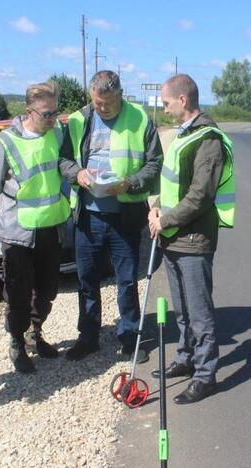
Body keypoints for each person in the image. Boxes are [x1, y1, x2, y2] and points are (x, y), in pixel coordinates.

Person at [64, 71, 163, 364]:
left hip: (126, 216)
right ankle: (88, 337)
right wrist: (77, 173)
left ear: (120, 95)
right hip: (88, 216)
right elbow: (63, 160)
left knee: (126, 281)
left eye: (107, 103)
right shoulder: (79, 119)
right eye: (96, 102)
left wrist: (130, 184)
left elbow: (154, 162)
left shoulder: (140, 118)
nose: (101, 108)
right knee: (87, 280)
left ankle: (130, 338)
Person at [148, 74, 235, 404]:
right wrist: (155, 209)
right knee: (182, 309)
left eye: (167, 102)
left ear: (183, 100)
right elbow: (171, 184)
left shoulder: (208, 140)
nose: (165, 108)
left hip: (193, 240)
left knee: (199, 312)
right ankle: (186, 358)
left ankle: (205, 374)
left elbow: (200, 196)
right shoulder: (184, 134)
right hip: (171, 236)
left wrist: (164, 221)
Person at [0, 81, 75, 373]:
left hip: (50, 227)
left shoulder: (57, 133)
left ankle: (36, 333)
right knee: (18, 293)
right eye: (47, 113)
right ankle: (17, 344)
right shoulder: (5, 142)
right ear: (29, 112)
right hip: (19, 233)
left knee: (47, 289)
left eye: (55, 112)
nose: (52, 119)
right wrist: (9, 215)